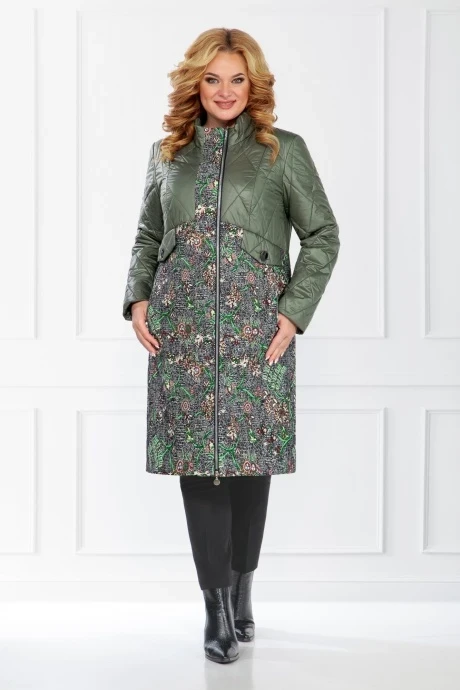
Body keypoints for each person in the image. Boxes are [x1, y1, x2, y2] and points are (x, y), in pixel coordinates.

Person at [122, 27, 340, 664]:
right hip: (182, 333)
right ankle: (215, 606)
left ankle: (242, 586)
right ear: (195, 84)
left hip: (258, 334)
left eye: (237, 79)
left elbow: (322, 235)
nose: (225, 91)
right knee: (198, 468)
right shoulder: (167, 153)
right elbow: (147, 235)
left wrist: (293, 313)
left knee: (248, 467)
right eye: (212, 79)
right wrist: (137, 297)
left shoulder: (283, 151)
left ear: (254, 84)